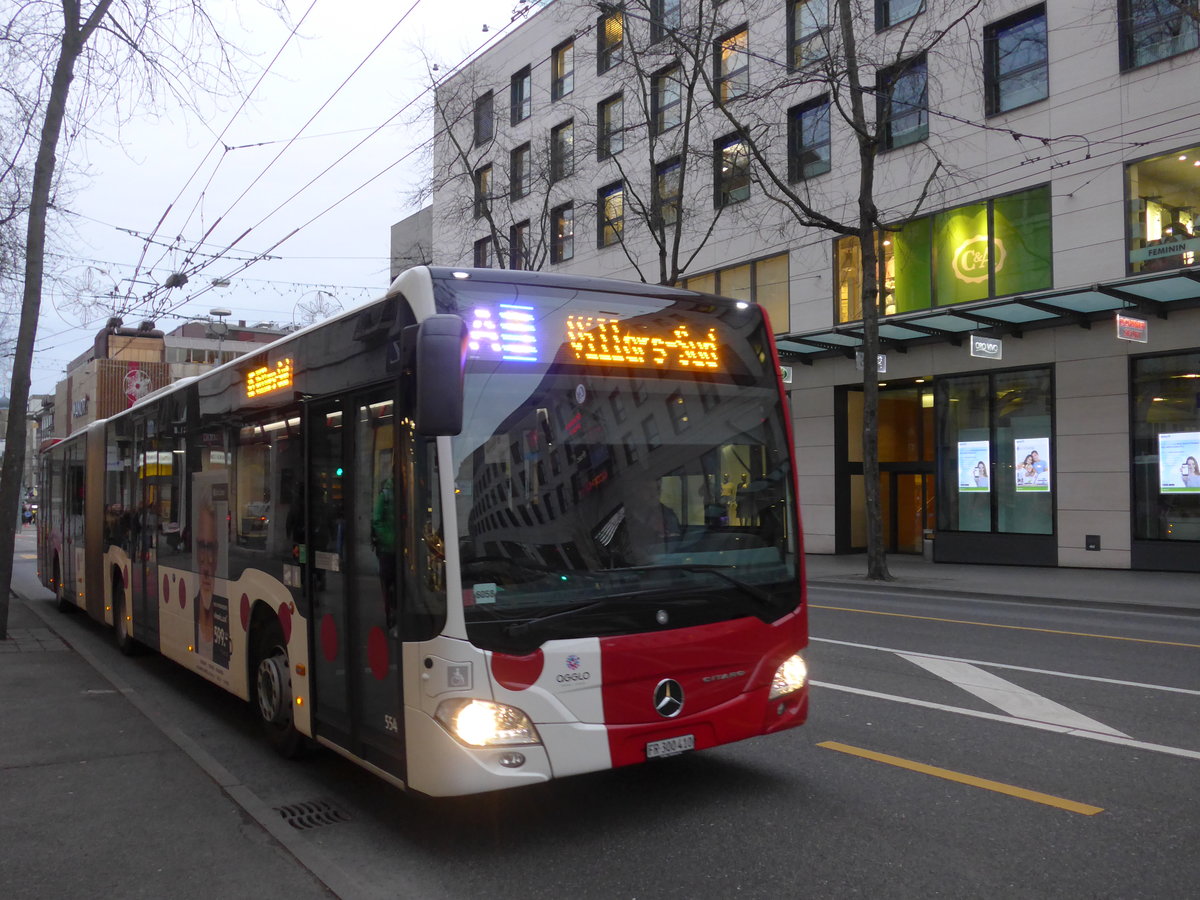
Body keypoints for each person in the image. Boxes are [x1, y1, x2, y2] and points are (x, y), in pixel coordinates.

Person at [194, 486, 230, 668]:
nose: (207, 564)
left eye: (212, 548)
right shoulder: (190, 611)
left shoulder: (226, 612)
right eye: (202, 547)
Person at [372, 475, 397, 633]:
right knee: (387, 583)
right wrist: (389, 538)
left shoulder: (404, 493)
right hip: (387, 549)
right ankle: (390, 615)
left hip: (398, 548)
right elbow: (376, 520)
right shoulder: (385, 496)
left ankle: (395, 613)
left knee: (397, 583)